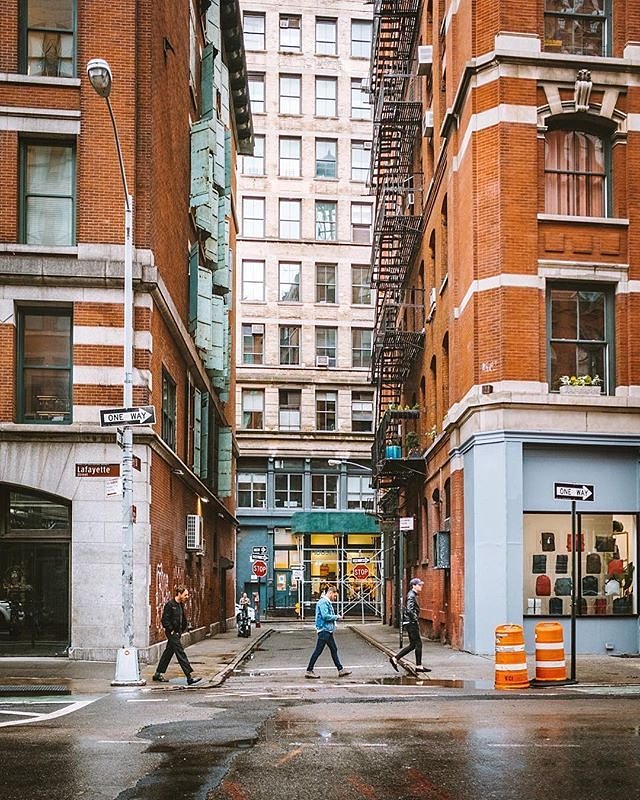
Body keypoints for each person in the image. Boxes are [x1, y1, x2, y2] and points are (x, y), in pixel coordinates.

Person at [153, 585, 202, 685]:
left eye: (187, 595)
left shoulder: (180, 605)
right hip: (172, 633)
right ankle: (189, 677)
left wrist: (181, 630)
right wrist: (171, 631)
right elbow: (164, 620)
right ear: (179, 594)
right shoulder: (170, 605)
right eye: (185, 595)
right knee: (180, 653)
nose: (187, 597)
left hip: (177, 633)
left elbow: (182, 619)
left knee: (168, 653)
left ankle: (158, 674)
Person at [305, 583, 352, 679]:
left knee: (333, 649)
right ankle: (309, 670)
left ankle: (340, 669)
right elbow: (325, 616)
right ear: (330, 592)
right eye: (335, 595)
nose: (335, 598)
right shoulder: (323, 602)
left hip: (327, 630)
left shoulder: (325, 602)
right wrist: (337, 617)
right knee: (318, 651)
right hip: (324, 630)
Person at [390, 577, 430, 674]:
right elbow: (409, 609)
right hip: (411, 623)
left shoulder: (412, 595)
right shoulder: (411, 595)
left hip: (409, 622)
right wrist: (415, 618)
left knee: (413, 645)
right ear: (414, 586)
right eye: (419, 585)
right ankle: (418, 666)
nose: (421, 586)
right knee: (418, 643)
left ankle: (396, 658)